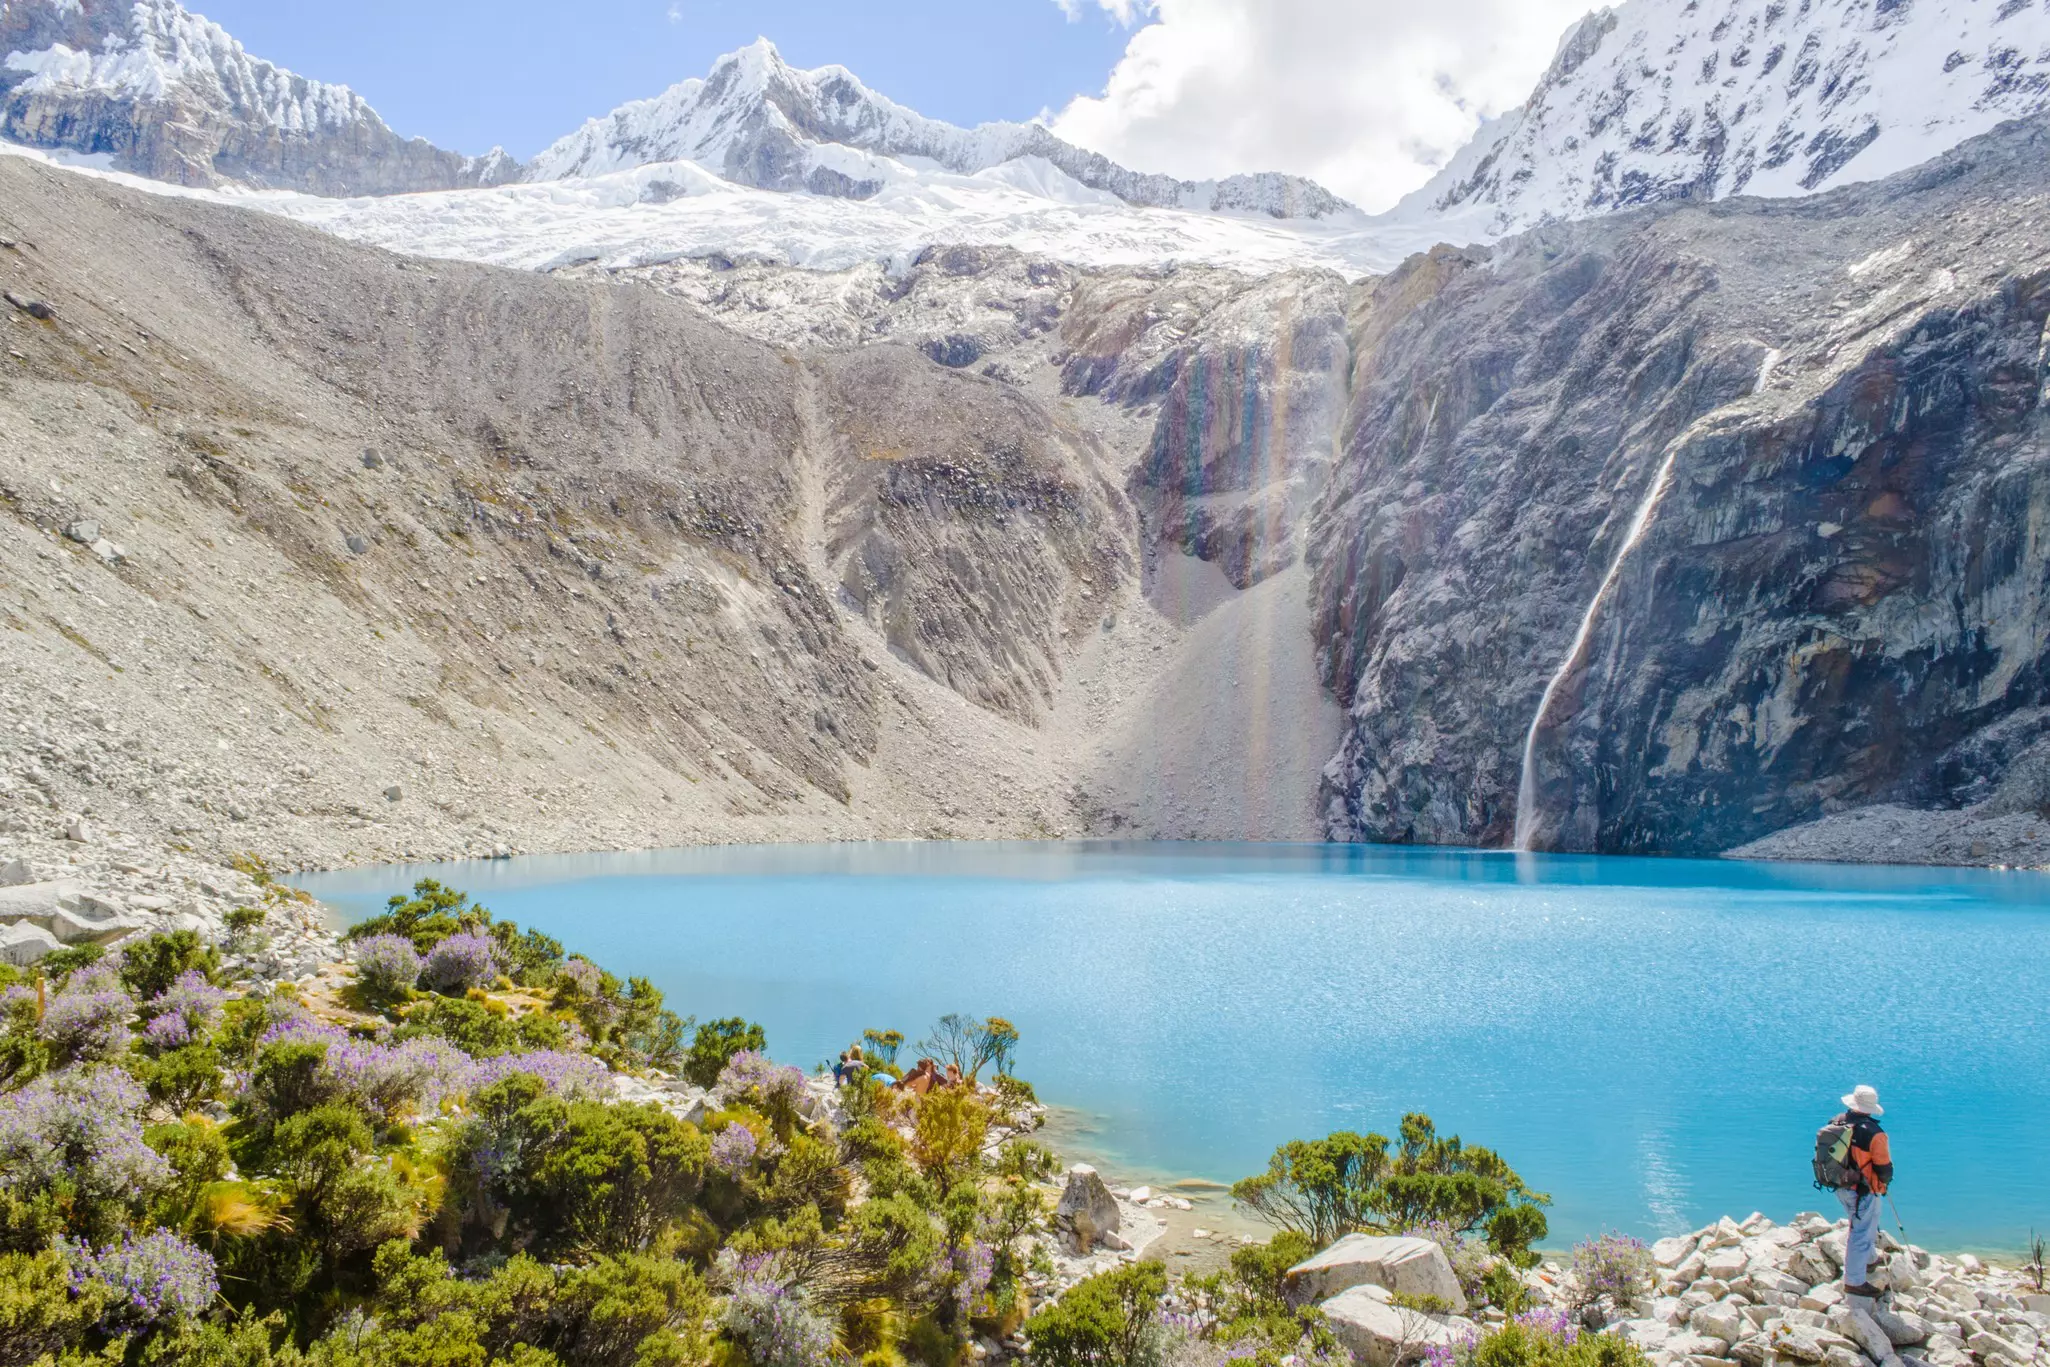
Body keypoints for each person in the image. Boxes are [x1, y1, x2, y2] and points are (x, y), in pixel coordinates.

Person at [1833, 1084, 1894, 1298]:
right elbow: (1883, 1165)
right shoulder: (1874, 1133)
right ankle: (1854, 1281)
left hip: (1840, 1184)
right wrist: (1885, 1181)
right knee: (1861, 1231)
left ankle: (1868, 1259)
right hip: (1863, 1189)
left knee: (1860, 1223)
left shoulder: (1837, 1122)